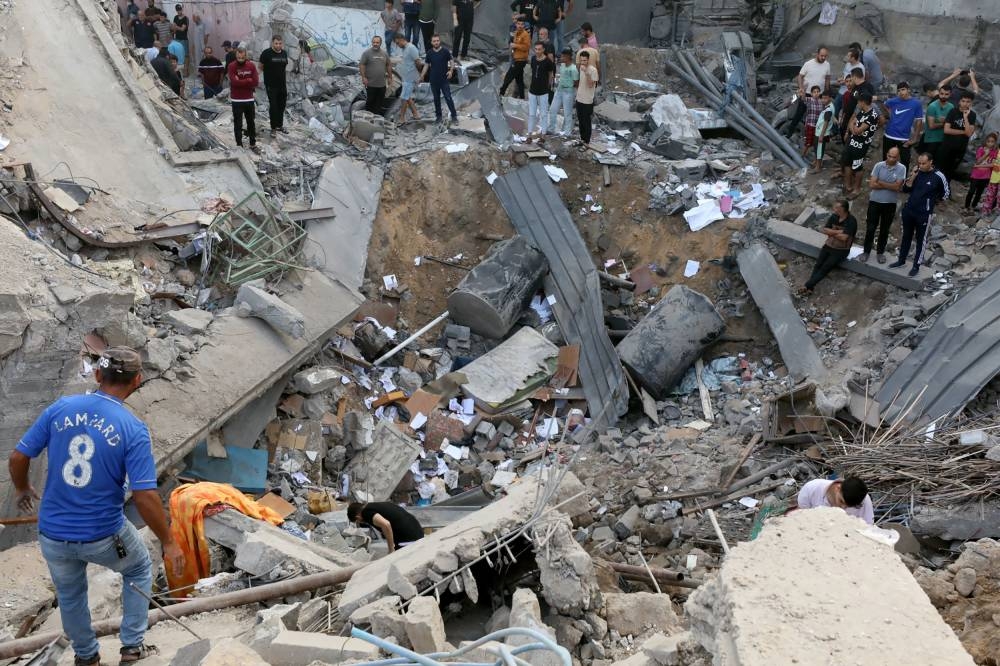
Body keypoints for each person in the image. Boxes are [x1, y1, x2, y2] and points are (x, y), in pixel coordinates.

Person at [7, 347, 185, 666]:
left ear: (98, 375)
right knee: (139, 568)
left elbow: (19, 457)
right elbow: (145, 497)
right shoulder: (132, 428)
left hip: (53, 535)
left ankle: (86, 657)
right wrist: (169, 542)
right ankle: (132, 648)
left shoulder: (61, 408)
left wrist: (22, 487)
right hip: (103, 535)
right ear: (137, 381)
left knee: (71, 596)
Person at [889, 152, 949, 276]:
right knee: (906, 236)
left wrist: (933, 201)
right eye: (919, 163)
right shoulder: (916, 173)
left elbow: (946, 193)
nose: (921, 166)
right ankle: (901, 260)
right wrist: (913, 176)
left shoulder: (938, 176)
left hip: (924, 213)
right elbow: (905, 189)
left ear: (931, 162)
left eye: (924, 163)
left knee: (921, 239)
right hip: (909, 210)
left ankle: (916, 265)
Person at [798, 200, 857, 295]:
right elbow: (825, 230)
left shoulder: (851, 221)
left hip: (841, 250)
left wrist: (832, 232)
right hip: (829, 245)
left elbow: (844, 238)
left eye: (837, 208)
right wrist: (838, 232)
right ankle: (810, 287)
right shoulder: (834, 217)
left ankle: (806, 286)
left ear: (844, 209)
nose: (835, 209)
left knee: (825, 268)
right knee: (818, 265)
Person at [860, 147, 906, 264]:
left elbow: (897, 187)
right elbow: (872, 184)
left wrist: (880, 182)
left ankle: (880, 253)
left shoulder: (901, 168)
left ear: (898, 157)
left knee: (884, 230)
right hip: (875, 201)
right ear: (887, 154)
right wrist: (890, 185)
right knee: (870, 228)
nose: (891, 159)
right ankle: (866, 251)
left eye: (894, 157)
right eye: (889, 156)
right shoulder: (879, 165)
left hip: (890, 204)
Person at [785, 46, 830, 138]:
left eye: (825, 56)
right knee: (799, 113)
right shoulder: (808, 64)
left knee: (817, 116)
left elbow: (827, 79)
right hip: (807, 94)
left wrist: (827, 93)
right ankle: (789, 133)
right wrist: (801, 88)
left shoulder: (827, 65)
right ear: (817, 54)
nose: (823, 58)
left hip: (819, 95)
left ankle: (815, 137)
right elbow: (800, 76)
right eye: (822, 56)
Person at [841, 92, 879, 199]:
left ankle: (856, 189)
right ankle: (848, 186)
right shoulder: (862, 112)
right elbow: (851, 124)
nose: (857, 103)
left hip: (861, 145)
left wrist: (854, 127)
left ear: (863, 102)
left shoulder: (872, 115)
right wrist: (853, 128)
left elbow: (857, 130)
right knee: (847, 163)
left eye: (858, 101)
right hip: (852, 142)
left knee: (857, 167)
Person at [880, 81, 923, 171]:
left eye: (903, 90)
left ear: (908, 90)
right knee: (886, 159)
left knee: (905, 161)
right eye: (899, 90)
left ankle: (902, 182)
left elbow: (919, 121)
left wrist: (915, 138)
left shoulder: (916, 103)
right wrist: (889, 113)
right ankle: (885, 177)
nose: (901, 92)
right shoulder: (894, 101)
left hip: (904, 138)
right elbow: (884, 105)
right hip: (889, 134)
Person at [347, 502, 424, 552]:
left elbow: (386, 524)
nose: (361, 522)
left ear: (357, 517)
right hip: (418, 532)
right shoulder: (374, 506)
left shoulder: (366, 513)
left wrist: (391, 548)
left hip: (408, 539)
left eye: (358, 521)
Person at [938, 90, 977, 185]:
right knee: (940, 169)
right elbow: (947, 130)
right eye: (963, 101)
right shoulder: (953, 112)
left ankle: (945, 191)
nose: (965, 103)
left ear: (971, 103)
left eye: (968, 102)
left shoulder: (972, 115)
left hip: (960, 149)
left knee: (951, 171)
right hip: (947, 147)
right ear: (959, 101)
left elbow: (968, 134)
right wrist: (963, 131)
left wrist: (966, 118)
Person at [796, 477, 874, 525]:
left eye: (848, 506)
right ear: (838, 488)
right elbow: (801, 518)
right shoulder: (811, 489)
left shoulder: (864, 500)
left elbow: (868, 528)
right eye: (841, 501)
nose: (843, 508)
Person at [421, 34, 457, 124]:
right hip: (433, 80)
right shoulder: (429, 53)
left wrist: (451, 71)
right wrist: (422, 75)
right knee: (436, 99)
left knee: (448, 98)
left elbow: (452, 62)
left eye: (437, 40)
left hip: (444, 80)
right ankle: (438, 117)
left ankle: (454, 116)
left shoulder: (445, 51)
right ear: (432, 42)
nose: (436, 42)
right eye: (434, 41)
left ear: (439, 41)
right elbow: (426, 65)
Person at [228, 46, 259, 151]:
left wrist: (241, 80)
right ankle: (239, 145)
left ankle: (253, 143)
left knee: (251, 122)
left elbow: (255, 82)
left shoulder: (251, 66)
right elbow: (234, 82)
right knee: (238, 124)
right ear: (236, 55)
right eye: (238, 55)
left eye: (242, 55)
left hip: (249, 99)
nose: (240, 57)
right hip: (236, 100)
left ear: (245, 55)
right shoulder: (231, 66)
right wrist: (247, 80)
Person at [259, 35, 289, 136]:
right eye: (276, 43)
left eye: (280, 43)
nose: (278, 45)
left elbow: (284, 66)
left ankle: (280, 126)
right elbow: (261, 66)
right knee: (274, 107)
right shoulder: (266, 53)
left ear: (282, 44)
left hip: (282, 85)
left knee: (282, 105)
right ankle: (273, 128)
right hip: (271, 85)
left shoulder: (284, 53)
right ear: (272, 43)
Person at [525, 41, 554, 142]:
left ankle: (543, 135)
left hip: (543, 92)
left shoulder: (548, 61)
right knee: (532, 114)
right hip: (532, 91)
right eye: (536, 49)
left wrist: (548, 86)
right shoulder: (533, 59)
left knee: (544, 114)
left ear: (543, 50)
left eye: (539, 49)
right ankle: (529, 135)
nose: (537, 51)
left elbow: (551, 74)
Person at [547, 48, 577, 136]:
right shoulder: (562, 66)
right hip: (559, 90)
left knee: (567, 112)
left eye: (563, 56)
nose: (561, 58)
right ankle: (551, 129)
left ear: (568, 57)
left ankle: (567, 132)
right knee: (553, 109)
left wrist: (569, 87)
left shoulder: (573, 69)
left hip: (568, 92)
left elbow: (576, 82)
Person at [839, 67, 873, 143]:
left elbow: (869, 103)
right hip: (847, 116)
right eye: (847, 81)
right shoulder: (854, 88)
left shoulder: (866, 87)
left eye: (851, 78)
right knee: (843, 133)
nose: (850, 82)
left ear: (854, 77)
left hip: (855, 118)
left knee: (850, 139)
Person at [393, 33, 422, 123]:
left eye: (398, 43)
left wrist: (420, 75)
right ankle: (416, 114)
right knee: (408, 96)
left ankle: (402, 118)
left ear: (401, 39)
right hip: (406, 77)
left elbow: (418, 62)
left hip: (411, 78)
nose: (398, 45)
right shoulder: (405, 49)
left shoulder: (411, 48)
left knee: (404, 98)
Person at [499, 18, 530, 99]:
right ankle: (522, 97)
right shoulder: (516, 33)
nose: (520, 26)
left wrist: (515, 46)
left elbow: (526, 47)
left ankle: (501, 94)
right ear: (516, 24)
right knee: (519, 80)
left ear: (524, 25)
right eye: (518, 24)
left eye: (522, 24)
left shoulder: (525, 35)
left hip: (521, 60)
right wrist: (512, 48)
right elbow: (513, 45)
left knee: (508, 77)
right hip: (515, 58)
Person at [360, 35, 391, 116]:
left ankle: (377, 118)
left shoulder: (384, 53)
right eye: (374, 42)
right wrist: (363, 77)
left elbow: (388, 65)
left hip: (382, 84)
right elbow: (362, 65)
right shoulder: (366, 53)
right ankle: (367, 117)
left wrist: (390, 77)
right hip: (371, 84)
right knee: (370, 102)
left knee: (379, 102)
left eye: (377, 42)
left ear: (380, 43)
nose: (375, 44)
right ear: (372, 43)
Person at [966, 134, 998, 213]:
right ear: (985, 141)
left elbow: (992, 165)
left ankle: (973, 206)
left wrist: (978, 165)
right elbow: (978, 160)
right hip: (976, 175)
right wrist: (986, 154)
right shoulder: (980, 149)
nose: (990, 143)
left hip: (985, 176)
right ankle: (966, 206)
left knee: (979, 193)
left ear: (995, 143)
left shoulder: (995, 152)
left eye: (992, 142)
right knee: (971, 191)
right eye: (988, 141)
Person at [575, 49, 597, 147]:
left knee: (586, 121)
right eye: (581, 60)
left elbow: (590, 85)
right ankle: (582, 140)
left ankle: (586, 142)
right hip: (579, 99)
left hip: (587, 101)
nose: (583, 62)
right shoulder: (581, 68)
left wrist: (587, 72)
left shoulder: (593, 70)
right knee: (580, 121)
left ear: (588, 60)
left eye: (585, 60)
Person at [813, 88, 836, 172]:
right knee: (817, 148)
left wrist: (821, 135)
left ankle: (818, 167)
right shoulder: (830, 106)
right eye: (822, 98)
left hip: (821, 133)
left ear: (830, 98)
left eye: (825, 98)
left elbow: (826, 122)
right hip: (819, 132)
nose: (823, 100)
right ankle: (817, 163)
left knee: (819, 150)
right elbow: (832, 117)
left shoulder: (828, 109)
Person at [801, 84, 823, 157]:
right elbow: (803, 98)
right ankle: (802, 156)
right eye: (814, 92)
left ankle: (815, 159)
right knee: (808, 142)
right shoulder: (810, 100)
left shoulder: (821, 102)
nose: (816, 93)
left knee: (816, 143)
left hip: (818, 126)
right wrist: (803, 91)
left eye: (817, 92)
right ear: (811, 94)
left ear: (820, 93)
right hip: (810, 125)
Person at [172, 4, 189, 75]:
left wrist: (176, 27)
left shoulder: (185, 18)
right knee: (177, 55)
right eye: (178, 10)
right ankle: (178, 70)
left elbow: (183, 29)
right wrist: (175, 29)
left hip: (183, 39)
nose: (179, 11)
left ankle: (186, 70)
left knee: (186, 55)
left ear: (182, 9)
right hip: (177, 39)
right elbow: (174, 28)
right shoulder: (175, 17)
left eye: (180, 9)